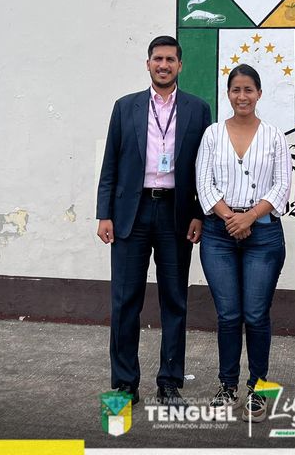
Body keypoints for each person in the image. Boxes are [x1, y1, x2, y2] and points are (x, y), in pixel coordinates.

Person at [96, 35, 212, 406]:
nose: (163, 65)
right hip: (131, 214)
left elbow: (204, 168)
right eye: (157, 59)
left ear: (180, 65)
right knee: (124, 300)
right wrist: (104, 214)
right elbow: (110, 163)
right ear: (148, 64)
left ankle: (169, 383)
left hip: (176, 214)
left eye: (170, 60)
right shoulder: (125, 107)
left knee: (174, 301)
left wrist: (199, 213)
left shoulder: (198, 109)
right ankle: (125, 383)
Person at [195, 64, 290, 422]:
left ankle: (258, 387)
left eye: (249, 89)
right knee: (229, 314)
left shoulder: (274, 136)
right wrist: (229, 217)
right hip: (219, 235)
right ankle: (227, 385)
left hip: (262, 235)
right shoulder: (212, 134)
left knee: (256, 314)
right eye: (236, 89)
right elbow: (203, 183)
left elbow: (282, 185)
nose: (242, 96)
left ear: (259, 94)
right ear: (228, 94)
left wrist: (249, 217)